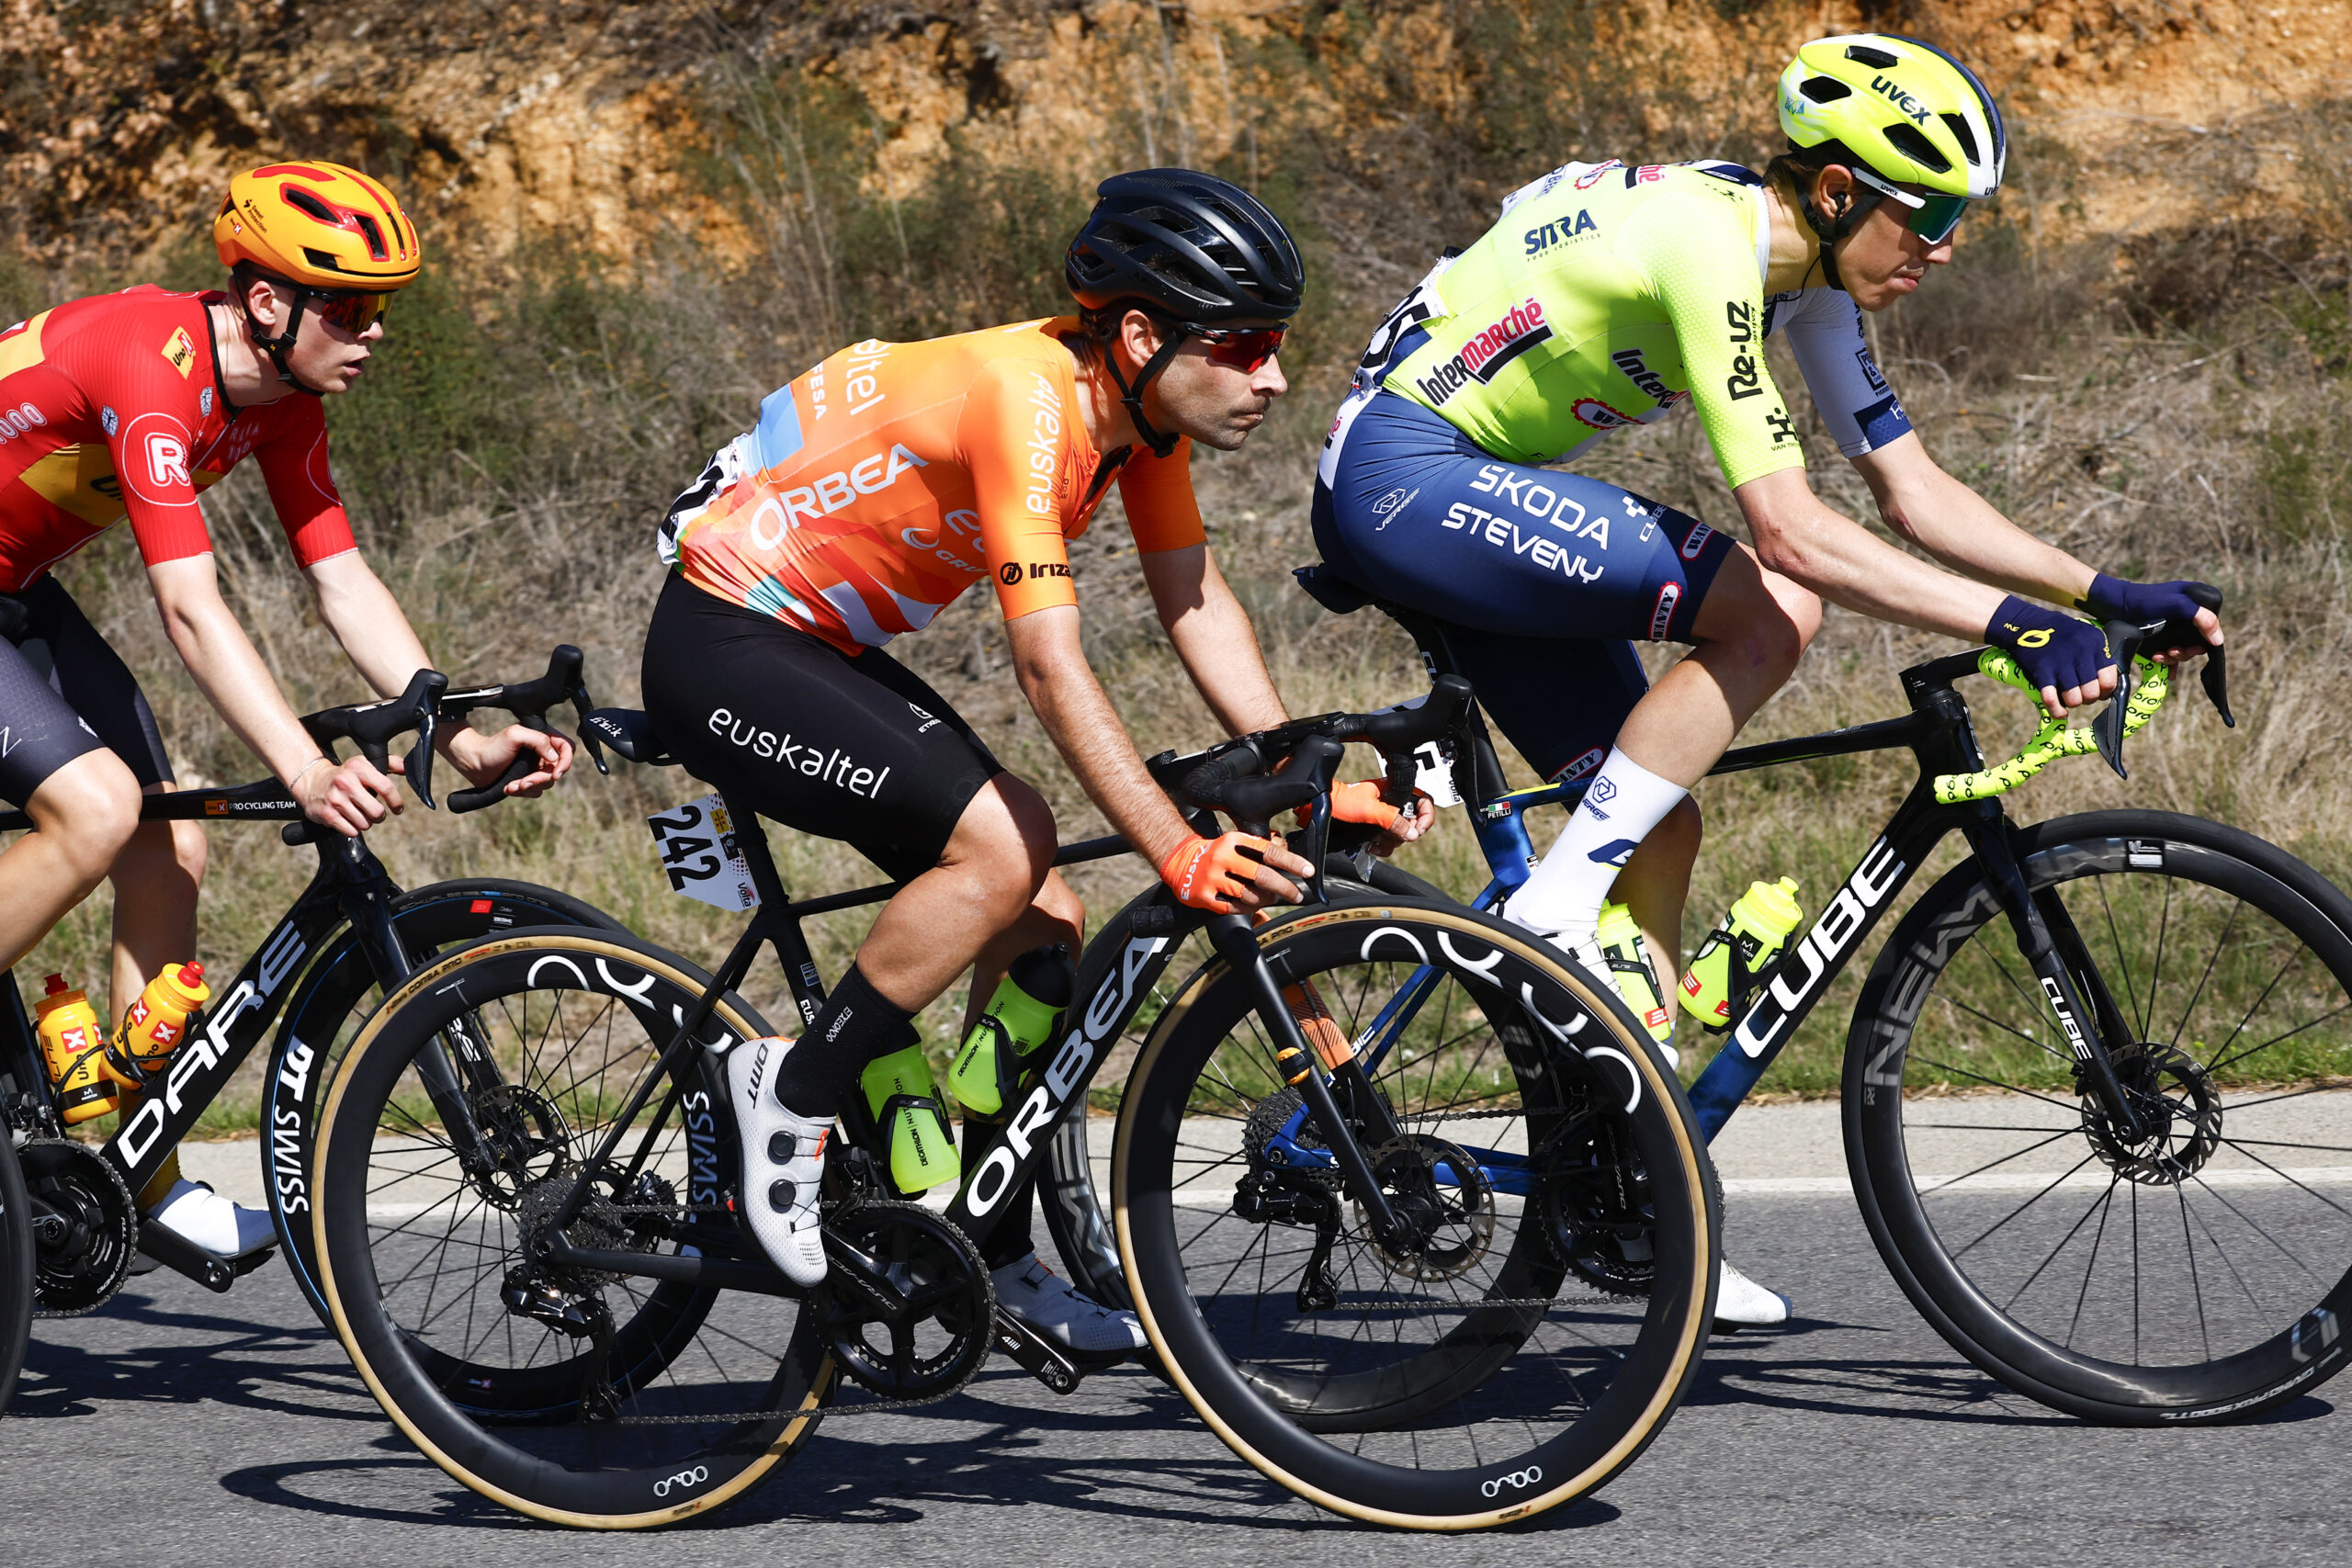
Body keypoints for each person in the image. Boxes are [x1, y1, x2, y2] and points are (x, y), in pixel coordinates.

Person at [1307, 35, 2221, 1325]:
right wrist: (2010, 626)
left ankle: (1639, 1194)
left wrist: (2098, 591)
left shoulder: (1808, 283)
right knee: (1774, 605)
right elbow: (1791, 534)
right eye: (1928, 215)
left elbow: (1910, 492)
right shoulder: (1709, 241)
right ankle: (1551, 913)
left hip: (1463, 486)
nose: (1943, 248)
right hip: (1405, 475)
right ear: (1838, 189)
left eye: (1957, 222)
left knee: (1657, 823)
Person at [640, 168, 1420, 1359]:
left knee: (1044, 924)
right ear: (1144, 337)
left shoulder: (1139, 423)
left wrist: (1302, 777)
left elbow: (1193, 599)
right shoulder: (1027, 399)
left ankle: (981, 1248)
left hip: (813, 643)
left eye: (1276, 345)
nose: (1270, 376)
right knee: (1010, 844)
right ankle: (788, 1094)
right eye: (1244, 344)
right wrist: (1176, 849)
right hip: (724, 642)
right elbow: (1049, 667)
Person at [0, 161, 569, 1257]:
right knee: (98, 807)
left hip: (15, 584)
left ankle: (140, 1175)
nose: (375, 332)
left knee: (170, 841)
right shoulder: (150, 363)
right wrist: (305, 770)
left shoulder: (282, 404)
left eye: (382, 308)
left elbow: (341, 579)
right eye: (349, 307)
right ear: (267, 301)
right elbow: (189, 606)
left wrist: (455, 731)